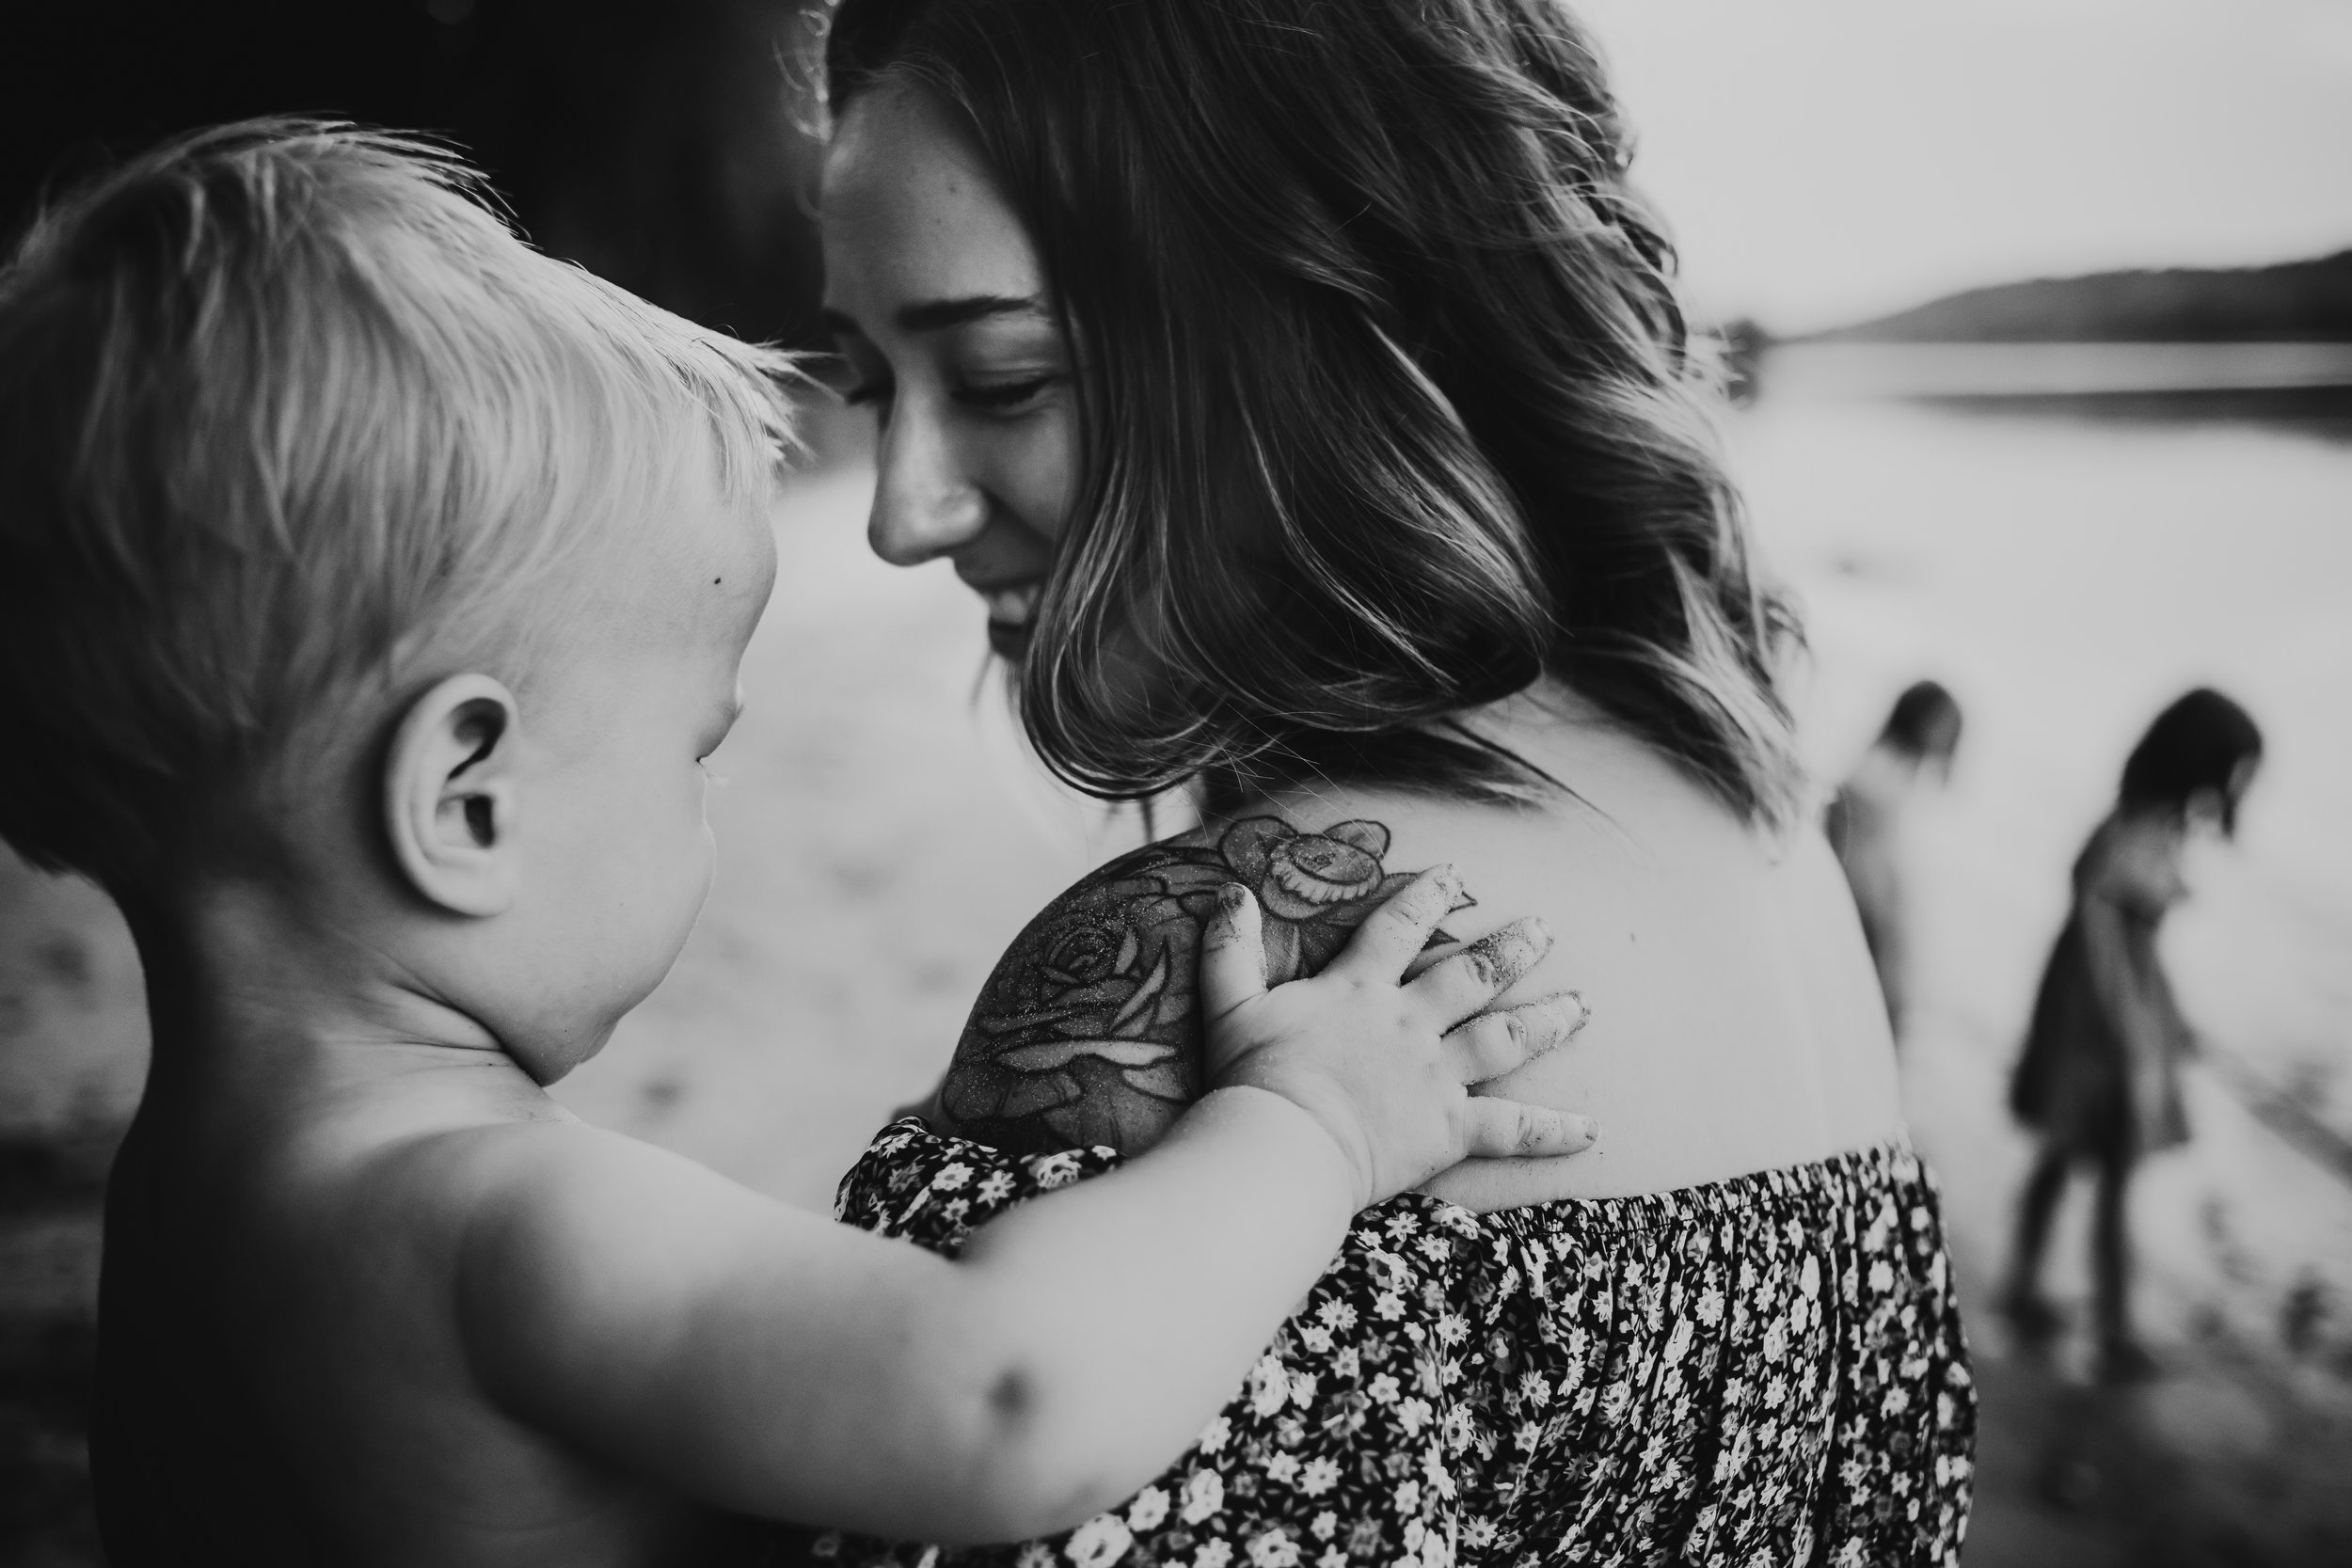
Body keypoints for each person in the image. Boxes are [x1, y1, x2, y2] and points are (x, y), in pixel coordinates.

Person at [0, 119, 1597, 1565]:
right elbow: (1006, 1396)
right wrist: (1310, 1119)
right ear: (465, 800)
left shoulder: (184, 1213)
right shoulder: (489, 1220)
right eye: (695, 751)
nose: (708, 803)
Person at [809, 2, 1976, 1564]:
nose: (903, 512)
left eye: (1007, 378)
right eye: (874, 383)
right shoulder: (1768, 842)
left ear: (1334, 332)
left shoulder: (1199, 958)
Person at [2002, 689, 2263, 1382]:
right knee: (2102, 1160)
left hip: (2106, 1007)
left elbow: (2135, 940)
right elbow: (2098, 923)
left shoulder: (2158, 821)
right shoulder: (2136, 825)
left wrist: (2173, 1017)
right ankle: (2112, 1326)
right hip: (2091, 1017)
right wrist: (2131, 1027)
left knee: (2072, 1156)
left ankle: (2031, 1287)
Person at [1825, 680, 1964, 1037]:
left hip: (1870, 942)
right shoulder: (1877, 786)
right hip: (1867, 944)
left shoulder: (1885, 780)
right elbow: (1869, 887)